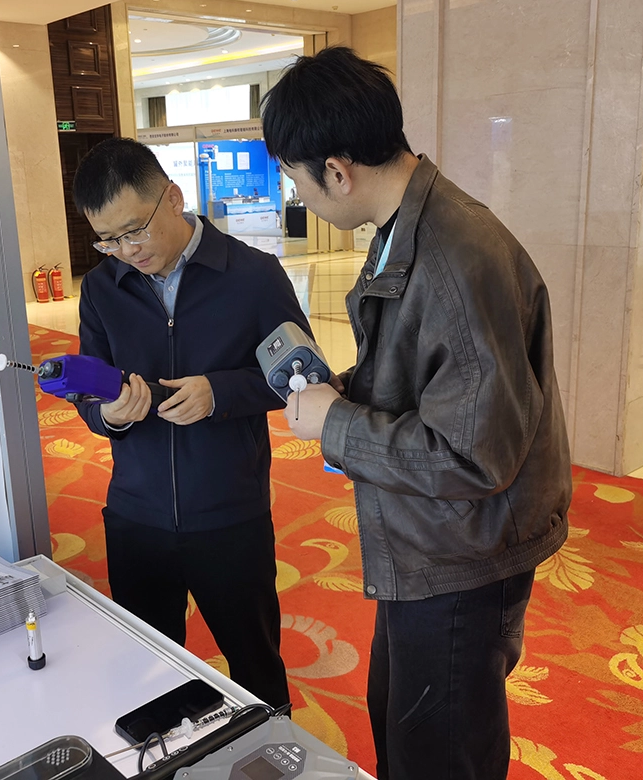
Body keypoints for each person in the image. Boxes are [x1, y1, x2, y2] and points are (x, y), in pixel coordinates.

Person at [261, 46, 573, 779]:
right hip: (431, 541)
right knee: (409, 732)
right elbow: (428, 379)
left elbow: (475, 456)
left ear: (337, 171)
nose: (300, 196)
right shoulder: (409, 228)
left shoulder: (451, 257)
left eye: (296, 180)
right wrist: (341, 391)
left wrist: (336, 424)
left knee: (440, 754)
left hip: (461, 554)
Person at [71, 138, 310, 710]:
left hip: (229, 513)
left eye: (135, 231)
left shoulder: (253, 275)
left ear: (173, 198)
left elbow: (301, 377)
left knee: (254, 664)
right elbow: (87, 387)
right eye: (108, 240)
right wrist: (106, 415)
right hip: (137, 514)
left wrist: (219, 393)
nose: (126, 251)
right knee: (148, 671)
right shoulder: (102, 288)